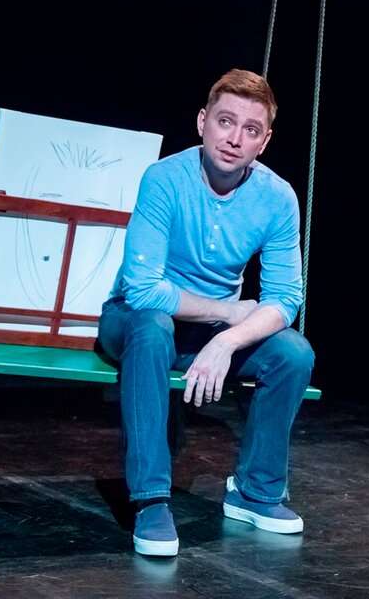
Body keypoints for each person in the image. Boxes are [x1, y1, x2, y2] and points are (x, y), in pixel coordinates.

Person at [96, 68, 315, 557]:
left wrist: (227, 339)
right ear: (202, 122)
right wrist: (229, 312)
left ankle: (255, 492)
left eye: (251, 130)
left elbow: (285, 298)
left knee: (294, 353)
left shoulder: (278, 198)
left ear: (264, 141)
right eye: (225, 121)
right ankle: (151, 500)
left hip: (211, 332)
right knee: (153, 327)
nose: (234, 139)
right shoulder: (164, 178)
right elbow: (144, 290)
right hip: (133, 319)